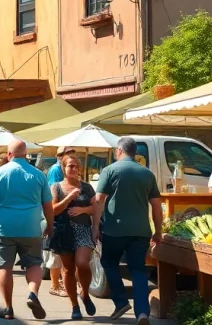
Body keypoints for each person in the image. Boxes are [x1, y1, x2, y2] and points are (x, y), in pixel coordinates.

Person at [0, 138, 53, 321]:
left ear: (9, 154)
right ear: (26, 155)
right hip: (31, 227)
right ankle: (32, 293)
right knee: (34, 263)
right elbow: (48, 205)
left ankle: (8, 308)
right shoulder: (38, 175)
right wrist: (50, 225)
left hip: (4, 229)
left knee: (5, 267)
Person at [96, 136, 163, 325]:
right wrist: (158, 231)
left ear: (119, 151)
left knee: (108, 263)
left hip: (114, 230)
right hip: (141, 231)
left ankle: (121, 301)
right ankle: (142, 313)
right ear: (135, 153)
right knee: (138, 271)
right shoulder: (147, 174)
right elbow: (156, 207)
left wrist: (94, 227)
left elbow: (99, 200)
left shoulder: (109, 171)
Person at [50, 154, 98, 320]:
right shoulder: (56, 187)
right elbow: (53, 210)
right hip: (64, 232)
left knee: (83, 264)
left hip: (83, 229)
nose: (74, 169)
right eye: (70, 166)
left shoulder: (86, 187)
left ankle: (85, 293)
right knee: (69, 269)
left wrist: (84, 211)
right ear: (63, 168)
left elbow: (96, 208)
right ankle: (74, 305)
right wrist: (70, 197)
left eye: (76, 166)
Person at [46, 146, 75, 296]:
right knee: (56, 255)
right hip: (58, 218)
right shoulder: (55, 170)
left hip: (68, 219)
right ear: (60, 156)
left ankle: (63, 283)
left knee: (64, 255)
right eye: (68, 154)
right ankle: (55, 285)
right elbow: (53, 193)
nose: (71, 156)